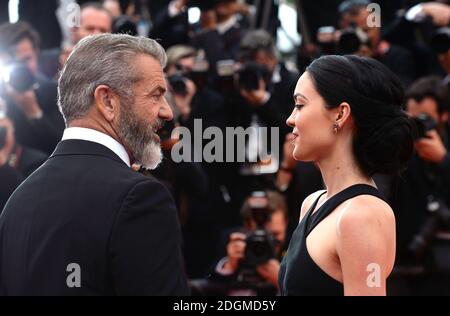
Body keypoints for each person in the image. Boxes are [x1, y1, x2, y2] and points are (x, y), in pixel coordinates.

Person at [0, 34, 189, 296]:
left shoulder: (18, 201)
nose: (167, 112)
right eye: (156, 95)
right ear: (108, 101)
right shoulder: (140, 198)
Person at [279, 55, 415, 296]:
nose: (290, 119)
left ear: (340, 115)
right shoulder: (312, 203)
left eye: (300, 105)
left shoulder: (361, 215)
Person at [0, 22, 65, 155]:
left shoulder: (54, 91)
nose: (19, 69)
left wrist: (34, 113)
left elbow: (63, 148)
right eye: (11, 63)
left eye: (25, 60)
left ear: (36, 54)